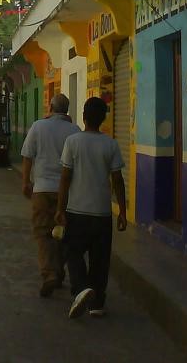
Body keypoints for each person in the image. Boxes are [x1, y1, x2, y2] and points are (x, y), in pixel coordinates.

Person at [55, 97, 127, 319]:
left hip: (76, 211)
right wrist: (123, 211)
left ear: (84, 117)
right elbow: (118, 180)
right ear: (103, 118)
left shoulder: (73, 142)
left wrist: (60, 209)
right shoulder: (111, 144)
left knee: (72, 252)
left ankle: (81, 288)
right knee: (100, 258)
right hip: (102, 213)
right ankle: (97, 303)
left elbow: (65, 178)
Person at [21, 93, 81, 298]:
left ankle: (49, 273)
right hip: (68, 192)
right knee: (64, 232)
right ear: (67, 110)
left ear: (50, 108)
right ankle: (59, 269)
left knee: (42, 232)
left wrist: (25, 182)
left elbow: (28, 155)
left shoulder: (39, 126)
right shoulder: (75, 130)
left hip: (43, 188)